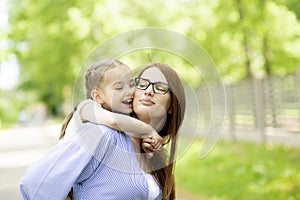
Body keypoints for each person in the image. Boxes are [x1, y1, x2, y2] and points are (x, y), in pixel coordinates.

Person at [19, 58, 164, 200]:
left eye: (131, 84)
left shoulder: (123, 132)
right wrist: (148, 131)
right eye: (119, 87)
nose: (129, 92)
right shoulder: (87, 108)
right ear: (97, 96)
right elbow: (113, 121)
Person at [78, 62, 186, 199]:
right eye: (142, 84)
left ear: (172, 105)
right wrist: (146, 130)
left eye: (160, 87)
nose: (149, 91)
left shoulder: (155, 155)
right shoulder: (105, 134)